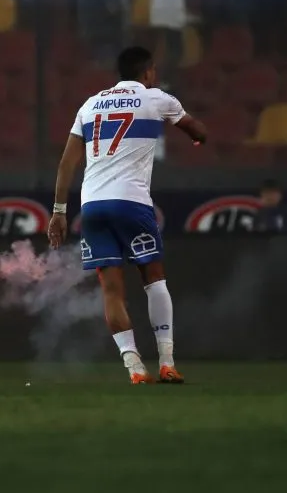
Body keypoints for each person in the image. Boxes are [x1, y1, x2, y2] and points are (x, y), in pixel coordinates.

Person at [46, 46, 208, 385]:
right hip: (132, 202)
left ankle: (134, 366)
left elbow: (66, 163)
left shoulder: (89, 105)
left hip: (92, 206)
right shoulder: (156, 99)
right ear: (148, 72)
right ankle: (166, 361)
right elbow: (197, 131)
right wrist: (198, 136)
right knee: (154, 281)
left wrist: (59, 212)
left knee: (111, 290)